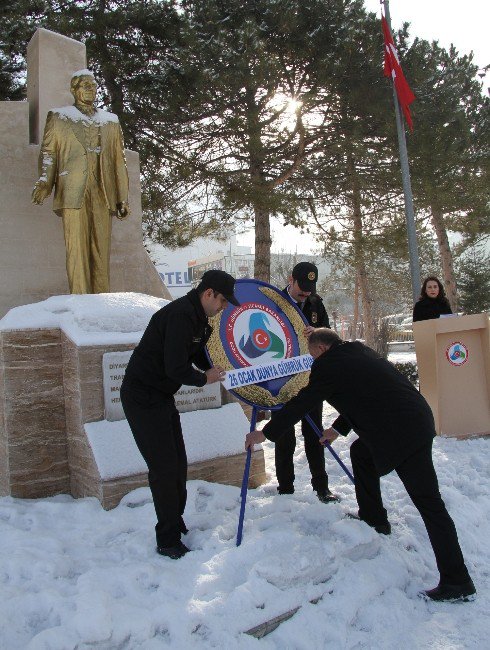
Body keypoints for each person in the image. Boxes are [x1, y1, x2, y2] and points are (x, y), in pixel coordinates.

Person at [246, 328, 476, 602]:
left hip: (403, 431)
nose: (313, 361)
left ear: (320, 349)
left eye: (312, 356)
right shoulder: (357, 351)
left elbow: (302, 403)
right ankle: (374, 517)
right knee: (361, 452)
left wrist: (266, 433)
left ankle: (457, 580)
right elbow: (364, 392)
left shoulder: (328, 366)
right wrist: (336, 429)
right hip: (413, 416)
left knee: (429, 503)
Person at [121, 270, 239, 559]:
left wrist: (227, 364)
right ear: (208, 293)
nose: (223, 307)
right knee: (164, 469)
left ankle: (175, 518)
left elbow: (198, 355)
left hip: (160, 396)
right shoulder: (180, 316)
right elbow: (176, 367)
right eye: (222, 300)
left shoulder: (199, 319)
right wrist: (205, 378)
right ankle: (167, 540)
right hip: (141, 396)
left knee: (178, 463)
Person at [32, 70, 129, 294]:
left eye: (93, 86)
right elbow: (48, 153)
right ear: (74, 90)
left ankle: (102, 299)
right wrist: (45, 181)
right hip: (72, 192)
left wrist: (122, 198)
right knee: (76, 250)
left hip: (103, 192)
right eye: (85, 86)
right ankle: (80, 300)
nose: (90, 90)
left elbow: (118, 162)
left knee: (101, 252)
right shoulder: (58, 117)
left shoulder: (111, 122)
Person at [274, 261, 338, 503]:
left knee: (314, 433)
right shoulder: (274, 301)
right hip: (282, 380)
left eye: (310, 287)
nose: (306, 292)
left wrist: (317, 332)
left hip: (310, 379)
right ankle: (285, 487)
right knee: (284, 434)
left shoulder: (315, 303)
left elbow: (329, 337)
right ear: (291, 279)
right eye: (302, 286)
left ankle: (321, 487)